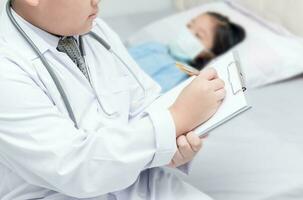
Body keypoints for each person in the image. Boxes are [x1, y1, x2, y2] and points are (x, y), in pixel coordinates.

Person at [0, 0, 225, 200]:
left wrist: (174, 144)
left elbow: (144, 103)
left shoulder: (93, 28)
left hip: (137, 183)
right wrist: (176, 119)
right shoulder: (6, 67)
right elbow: (76, 170)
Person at [129, 12, 246, 92]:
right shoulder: (153, 47)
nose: (188, 32)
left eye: (198, 35)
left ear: (208, 53)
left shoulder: (183, 78)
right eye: (189, 25)